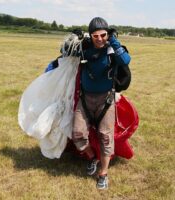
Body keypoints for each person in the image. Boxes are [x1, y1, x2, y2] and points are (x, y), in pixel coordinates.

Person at [71, 17, 131, 190]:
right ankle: (92, 157)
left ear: (108, 34)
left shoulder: (113, 50)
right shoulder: (85, 49)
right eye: (95, 36)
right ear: (91, 35)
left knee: (106, 137)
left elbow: (126, 60)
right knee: (77, 134)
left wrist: (114, 41)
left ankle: (103, 174)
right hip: (85, 99)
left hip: (106, 100)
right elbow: (65, 51)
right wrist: (75, 39)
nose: (99, 39)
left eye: (103, 35)